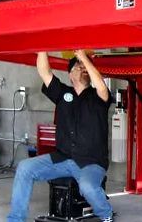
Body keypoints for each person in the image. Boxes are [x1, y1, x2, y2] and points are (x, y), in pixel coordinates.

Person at [7, 50, 114, 222]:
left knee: (87, 187)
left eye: (86, 67)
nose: (84, 69)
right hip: (62, 158)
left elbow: (100, 84)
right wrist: (44, 47)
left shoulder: (98, 97)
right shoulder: (63, 94)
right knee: (25, 168)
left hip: (91, 162)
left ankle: (105, 213)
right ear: (71, 74)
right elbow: (44, 72)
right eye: (79, 67)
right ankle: (15, 219)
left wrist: (84, 58)